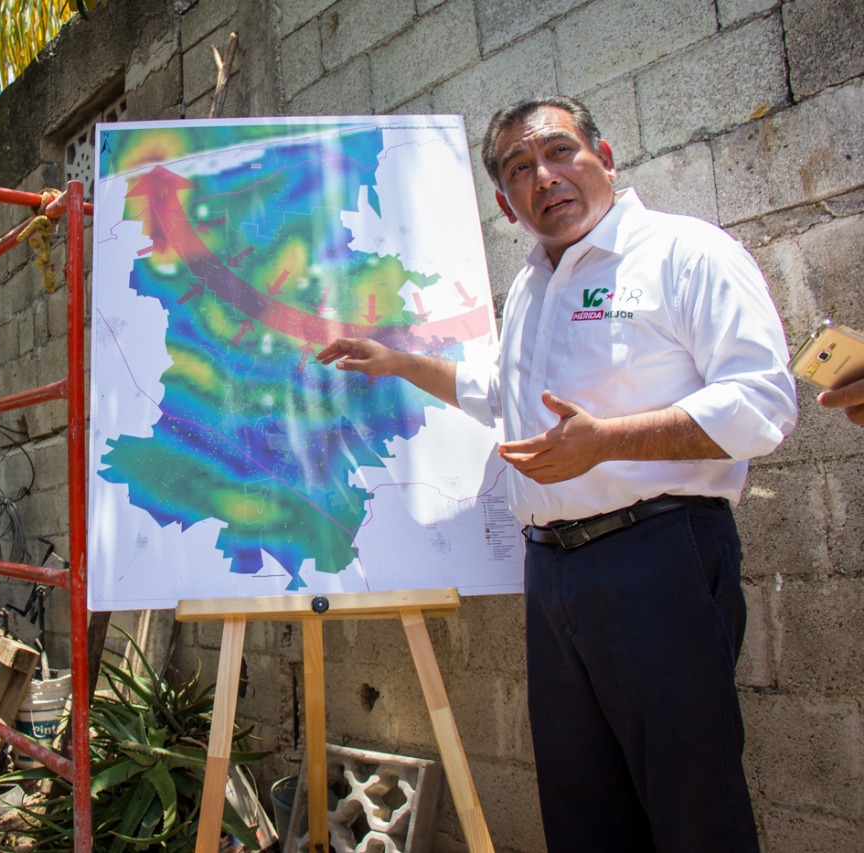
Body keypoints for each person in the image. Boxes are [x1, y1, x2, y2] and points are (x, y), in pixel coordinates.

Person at [318, 96, 797, 851]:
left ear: (604, 157)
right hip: (552, 575)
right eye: (519, 170)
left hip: (658, 557)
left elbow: (762, 402)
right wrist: (399, 361)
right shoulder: (535, 287)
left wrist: (608, 443)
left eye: (559, 152)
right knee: (583, 811)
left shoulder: (684, 253)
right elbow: (493, 389)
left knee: (691, 805)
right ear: (507, 206)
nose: (544, 177)